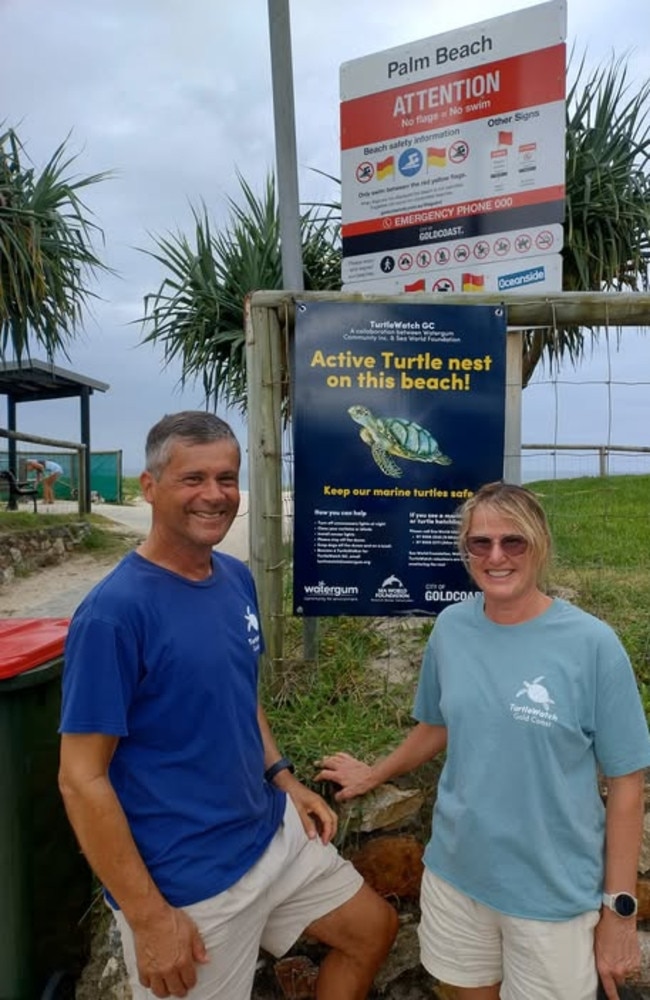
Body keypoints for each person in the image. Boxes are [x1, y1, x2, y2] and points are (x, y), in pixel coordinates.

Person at [58, 411, 397, 1000]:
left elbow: (239, 694)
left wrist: (283, 778)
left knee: (373, 931)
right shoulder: (113, 614)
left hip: (271, 835)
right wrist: (149, 918)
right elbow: (80, 778)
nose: (214, 495)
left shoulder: (235, 578)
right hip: (190, 885)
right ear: (150, 486)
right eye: (193, 479)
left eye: (226, 478)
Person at [317, 481, 650, 1000]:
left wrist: (620, 912)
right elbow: (439, 724)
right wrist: (374, 773)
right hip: (458, 878)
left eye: (513, 541)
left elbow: (628, 785)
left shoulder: (593, 647)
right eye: (481, 543)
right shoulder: (452, 628)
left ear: (540, 545)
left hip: (552, 898)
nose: (496, 556)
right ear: (466, 550)